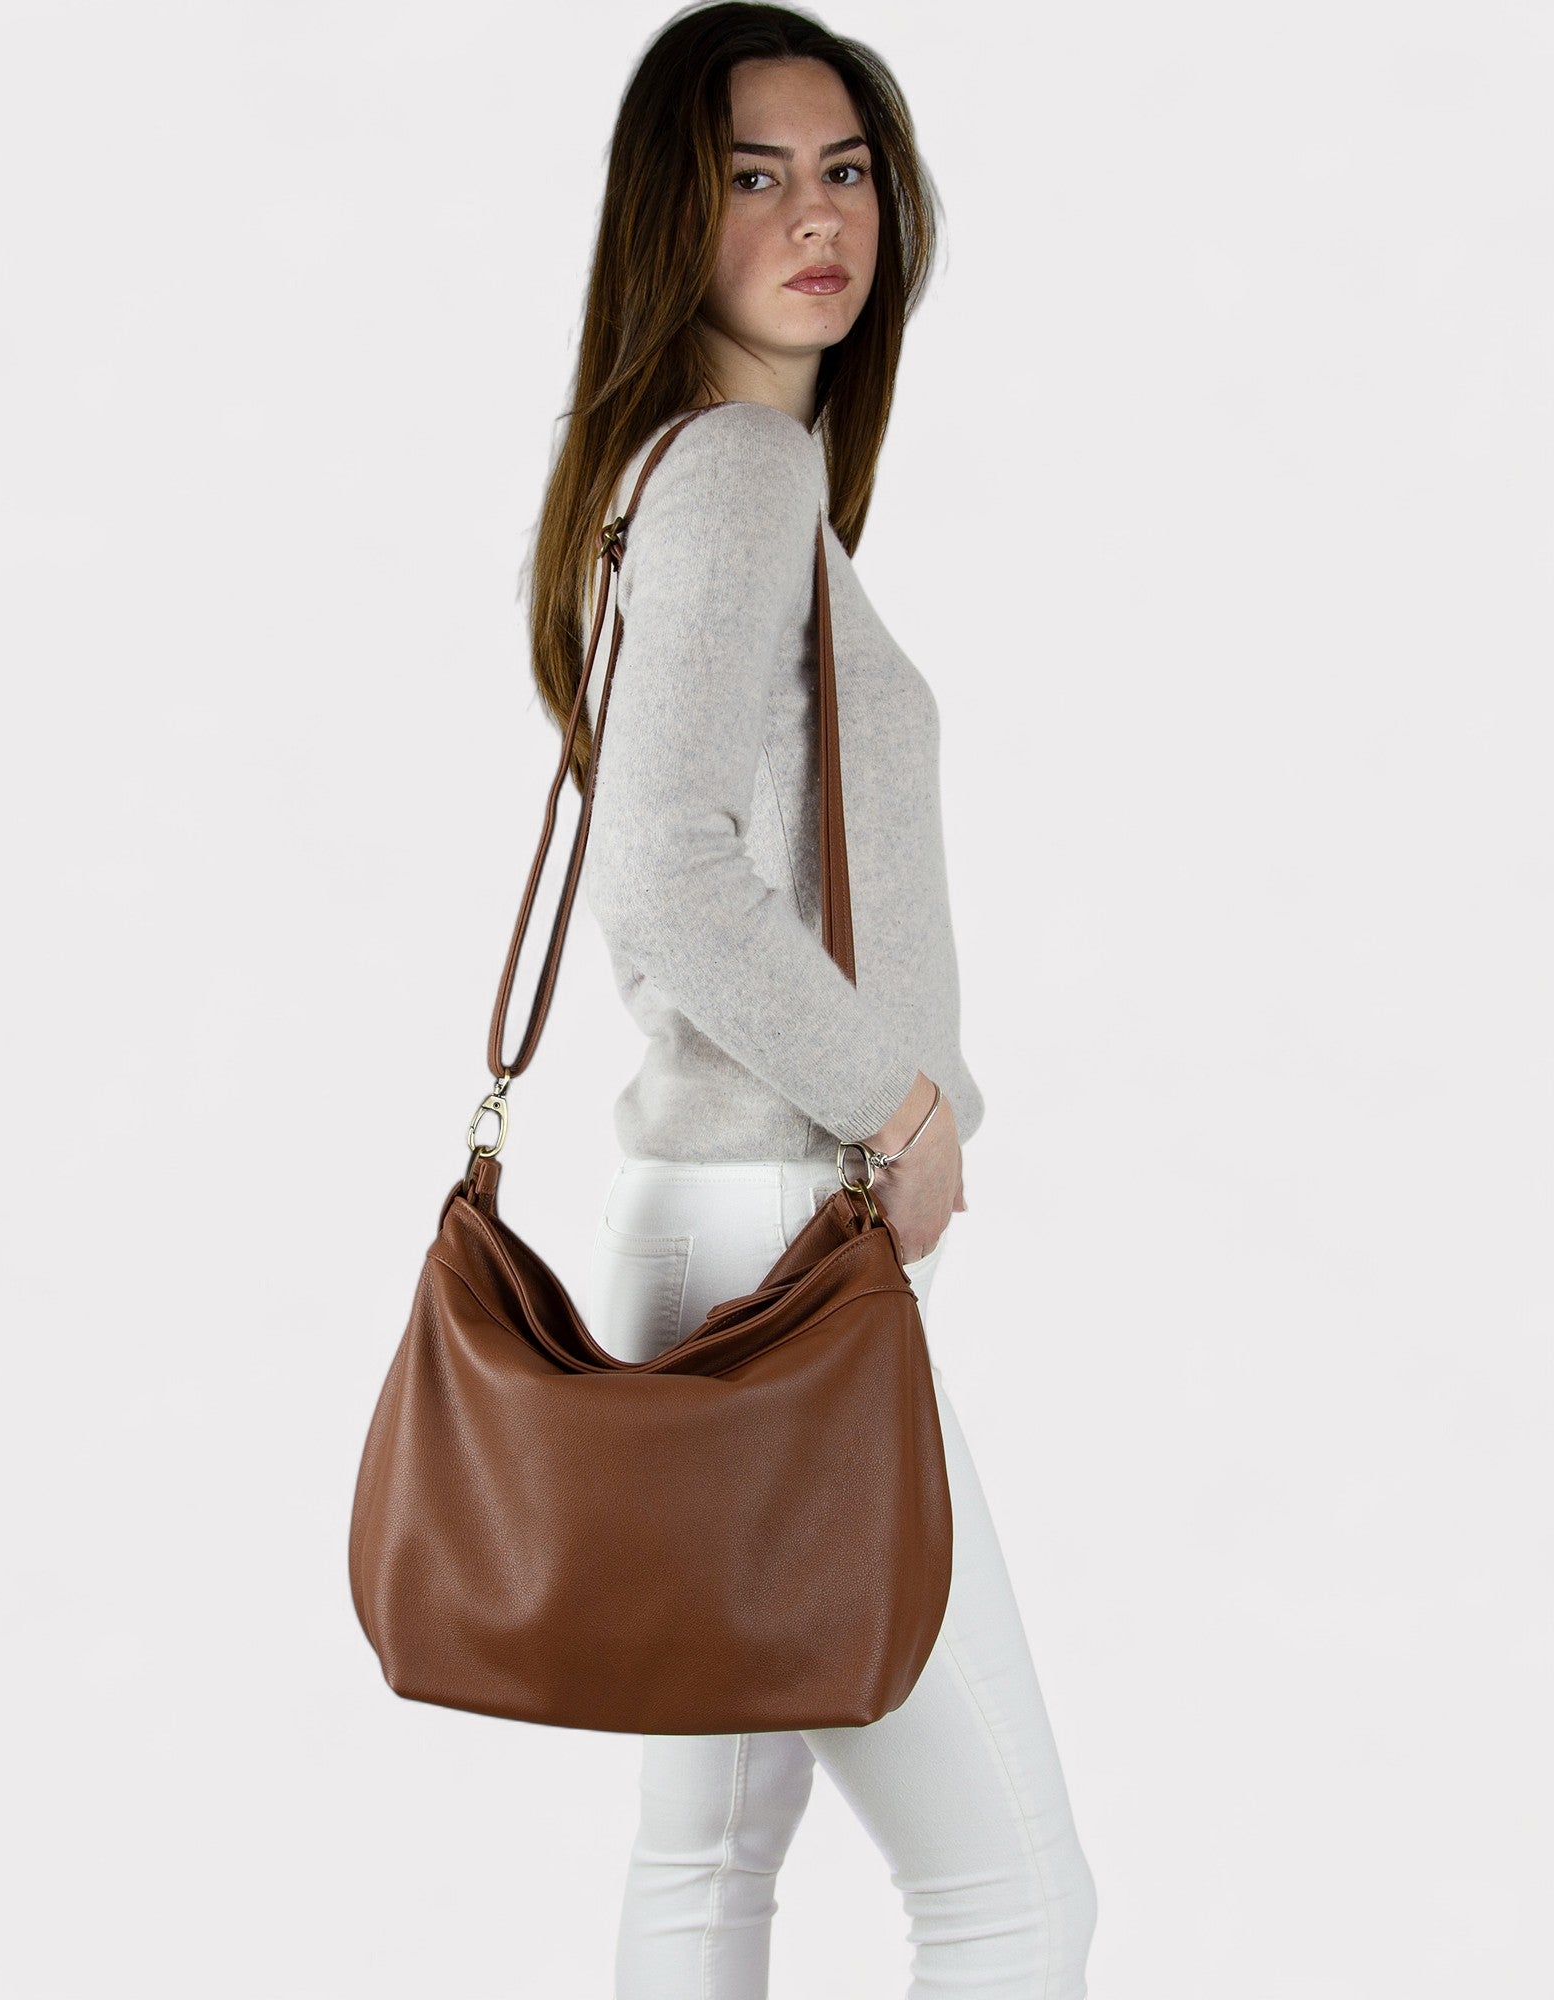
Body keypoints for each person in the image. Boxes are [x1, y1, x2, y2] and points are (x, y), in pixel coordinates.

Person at [526, 7, 1098, 1996]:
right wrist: (899, 1104)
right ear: (665, 210)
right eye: (753, 172)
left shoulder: (658, 472)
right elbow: (667, 872)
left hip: (696, 1225)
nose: (813, 213)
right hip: (777, 1227)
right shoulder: (743, 468)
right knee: (1015, 1896)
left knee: (708, 1868)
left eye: (842, 167)